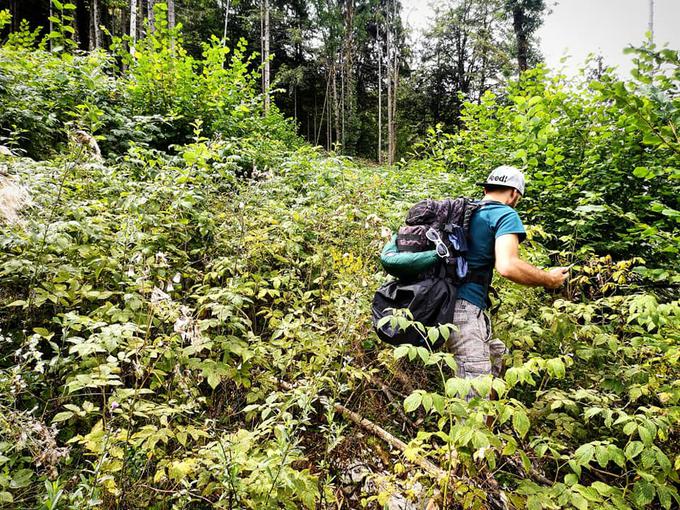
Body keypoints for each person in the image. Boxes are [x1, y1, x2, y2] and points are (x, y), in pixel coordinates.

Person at [446, 165, 569, 388]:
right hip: (465, 309)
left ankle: (492, 421)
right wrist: (549, 280)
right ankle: (476, 423)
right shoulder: (505, 214)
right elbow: (508, 266)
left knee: (501, 359)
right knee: (475, 394)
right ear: (514, 194)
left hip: (444, 303)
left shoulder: (467, 211)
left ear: (486, 189)